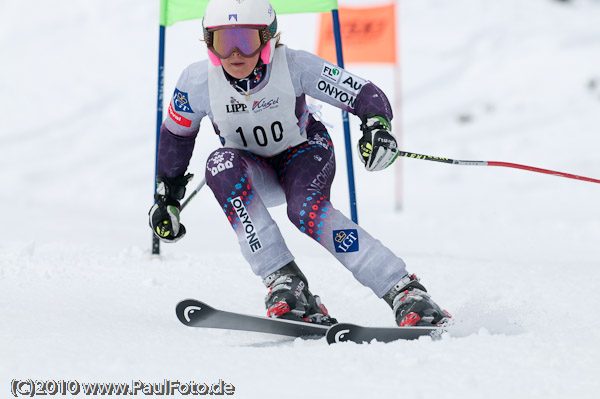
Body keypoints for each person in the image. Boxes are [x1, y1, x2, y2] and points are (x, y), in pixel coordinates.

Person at [149, 0, 450, 327]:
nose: (235, 53)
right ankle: (285, 282)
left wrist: (376, 126)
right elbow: (176, 138)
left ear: (268, 39)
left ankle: (404, 290)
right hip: (253, 171)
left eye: (246, 41)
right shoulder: (196, 82)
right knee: (219, 163)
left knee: (305, 210)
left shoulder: (292, 65)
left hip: (304, 152)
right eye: (223, 41)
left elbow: (363, 92)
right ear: (209, 44)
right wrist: (167, 198)